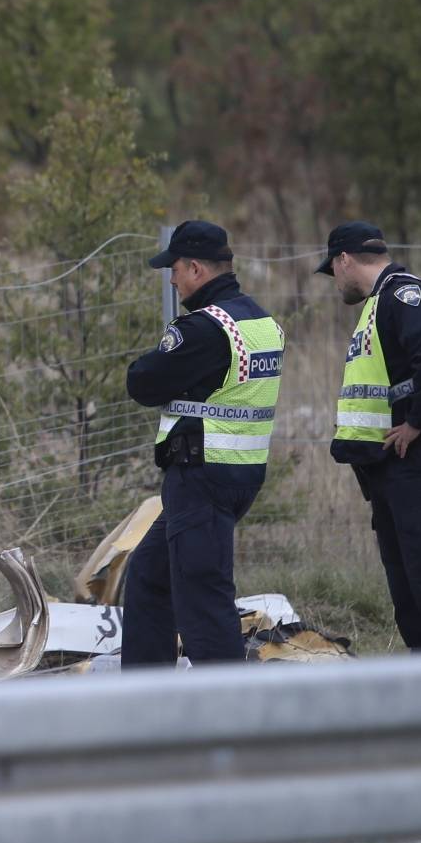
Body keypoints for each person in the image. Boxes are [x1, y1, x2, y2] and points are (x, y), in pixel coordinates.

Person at [121, 220, 285, 666]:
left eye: (173, 269)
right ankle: (146, 702)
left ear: (195, 268)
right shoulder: (259, 320)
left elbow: (143, 382)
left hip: (201, 476)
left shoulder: (204, 329)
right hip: (238, 474)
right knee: (149, 577)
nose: (171, 279)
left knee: (202, 602)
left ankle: (226, 715)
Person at [318, 221, 421, 650]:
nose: (335, 281)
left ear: (344, 260)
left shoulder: (402, 294)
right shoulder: (381, 302)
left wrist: (417, 421)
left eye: (332, 269)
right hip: (395, 469)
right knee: (410, 595)